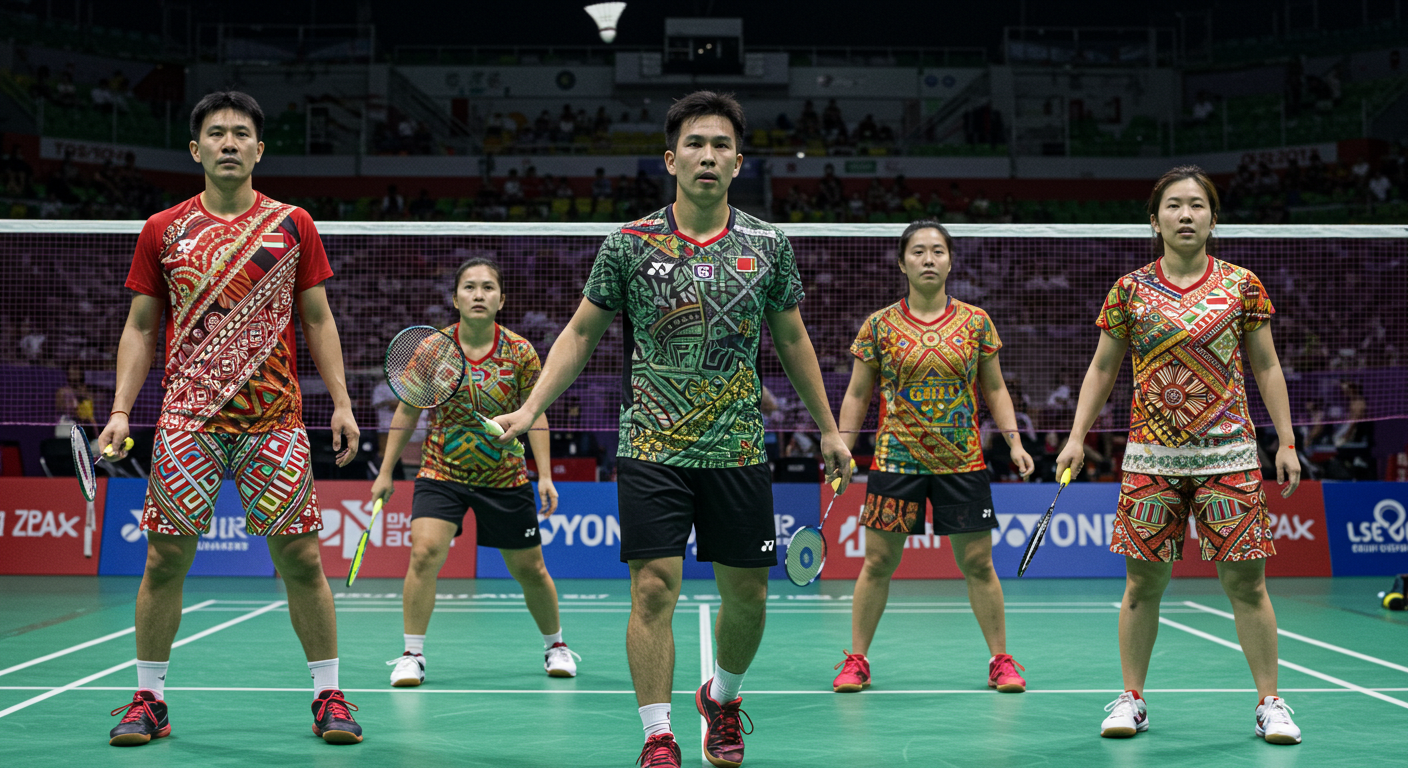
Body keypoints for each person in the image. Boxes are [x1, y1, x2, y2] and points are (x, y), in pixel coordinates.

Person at [494, 90, 852, 768]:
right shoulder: (628, 244)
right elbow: (580, 333)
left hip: (737, 447)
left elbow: (793, 339)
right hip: (651, 444)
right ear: (670, 159)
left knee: (748, 595)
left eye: (721, 146)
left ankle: (723, 699)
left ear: (738, 163)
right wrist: (533, 406)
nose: (707, 156)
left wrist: (830, 430)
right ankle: (658, 733)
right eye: (695, 144)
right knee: (653, 587)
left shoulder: (769, 245)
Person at [98, 91, 364, 747]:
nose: (228, 143)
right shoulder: (163, 228)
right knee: (164, 560)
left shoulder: (293, 223)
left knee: (302, 558)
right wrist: (120, 410)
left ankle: (328, 695)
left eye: (241, 133)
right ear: (196, 149)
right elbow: (140, 326)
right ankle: (150, 699)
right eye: (215, 133)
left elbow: (318, 317)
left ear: (258, 149)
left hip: (274, 420)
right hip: (187, 420)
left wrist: (342, 401)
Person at [1054, 165, 1302, 745]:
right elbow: (1102, 367)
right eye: (1173, 205)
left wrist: (1287, 441)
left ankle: (1270, 702)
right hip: (1151, 460)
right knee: (1141, 586)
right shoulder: (1129, 290)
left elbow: (1266, 365)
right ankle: (1132, 698)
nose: (1185, 214)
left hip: (1229, 456)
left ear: (1213, 219)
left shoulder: (1242, 285)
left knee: (1248, 585)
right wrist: (1076, 436)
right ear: (1155, 220)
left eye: (1196, 205)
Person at [832, 220, 1034, 696]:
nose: (928, 259)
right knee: (878, 563)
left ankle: (1000, 660)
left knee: (979, 564)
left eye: (938, 251)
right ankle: (857, 660)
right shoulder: (879, 325)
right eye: (918, 251)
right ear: (902, 263)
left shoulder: (976, 321)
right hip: (896, 460)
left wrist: (1014, 441)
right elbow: (858, 393)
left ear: (950, 261)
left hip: (962, 461)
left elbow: (995, 388)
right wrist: (842, 444)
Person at [373, 257, 576, 688]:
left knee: (530, 569)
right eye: (469, 287)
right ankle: (412, 654)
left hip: (504, 478)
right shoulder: (433, 350)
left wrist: (544, 475)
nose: (478, 294)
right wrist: (386, 471)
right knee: (424, 553)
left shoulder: (520, 352)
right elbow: (408, 410)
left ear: (501, 299)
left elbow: (536, 413)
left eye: (487, 287)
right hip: (441, 471)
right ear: (455, 299)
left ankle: (555, 645)